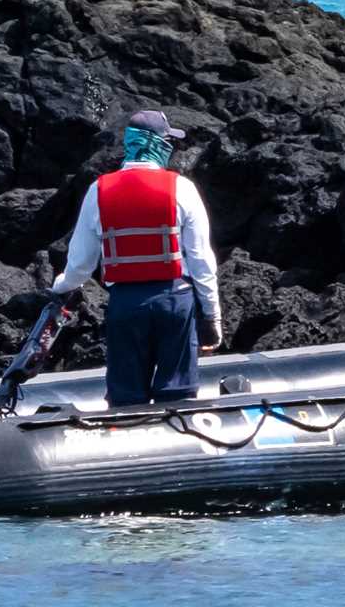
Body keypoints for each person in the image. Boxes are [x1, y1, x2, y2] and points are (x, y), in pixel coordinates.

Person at [49, 110, 222, 406]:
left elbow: (80, 265)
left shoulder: (98, 191)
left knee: (126, 398)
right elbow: (201, 261)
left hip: (126, 305)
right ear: (158, 143)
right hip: (175, 301)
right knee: (178, 396)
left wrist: (60, 290)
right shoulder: (182, 188)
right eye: (168, 140)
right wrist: (211, 316)